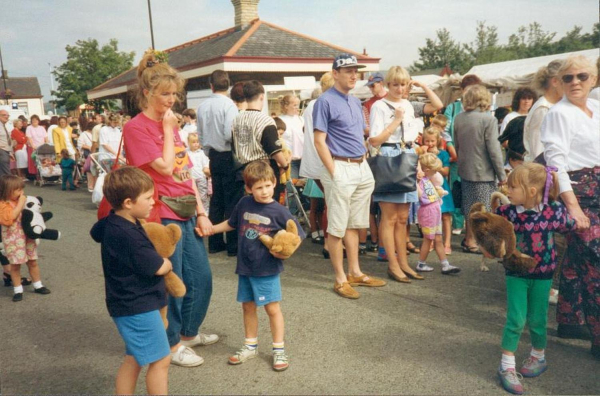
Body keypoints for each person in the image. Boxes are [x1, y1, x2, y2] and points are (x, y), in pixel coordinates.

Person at [123, 49, 216, 368]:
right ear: (147, 92)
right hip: (159, 213)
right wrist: (166, 129)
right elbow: (163, 168)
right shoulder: (137, 128)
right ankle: (171, 342)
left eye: (175, 94)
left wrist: (202, 210)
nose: (171, 100)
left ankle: (188, 333)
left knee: (201, 277)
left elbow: (184, 169)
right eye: (165, 94)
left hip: (186, 207)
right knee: (171, 278)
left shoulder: (171, 124)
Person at [210, 160, 305, 371]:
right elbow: (232, 223)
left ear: (274, 183)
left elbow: (296, 235)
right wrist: (211, 230)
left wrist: (283, 251)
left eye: (268, 185)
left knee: (272, 309)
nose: (264, 191)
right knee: (248, 306)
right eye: (258, 187)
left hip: (267, 269)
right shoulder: (244, 203)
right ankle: (250, 346)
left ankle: (279, 350)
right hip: (245, 267)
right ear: (248, 188)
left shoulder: (279, 211)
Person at [494, 163, 575, 394]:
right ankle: (506, 365)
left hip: (544, 274)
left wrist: (581, 221)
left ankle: (538, 357)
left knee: (538, 319)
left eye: (513, 187)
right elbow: (490, 226)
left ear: (531, 190)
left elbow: (568, 225)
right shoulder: (507, 212)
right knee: (516, 319)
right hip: (516, 273)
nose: (507, 190)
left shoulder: (554, 210)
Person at [90, 167, 171, 395]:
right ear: (127, 202)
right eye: (147, 198)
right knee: (161, 360)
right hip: (137, 305)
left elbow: (96, 231)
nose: (153, 202)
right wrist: (167, 262)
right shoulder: (129, 235)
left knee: (134, 358)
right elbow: (157, 267)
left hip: (126, 303)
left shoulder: (113, 222)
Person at [541, 55, 600, 360]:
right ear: (559, 82)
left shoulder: (596, 108)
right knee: (596, 263)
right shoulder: (558, 114)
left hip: (597, 188)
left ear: (594, 79)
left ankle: (570, 320)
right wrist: (573, 208)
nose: (575, 82)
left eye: (582, 76)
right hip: (580, 194)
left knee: (578, 260)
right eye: (568, 78)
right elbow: (555, 164)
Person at [314, 53, 386, 299]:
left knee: (354, 224)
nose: (354, 75)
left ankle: (355, 272)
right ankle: (340, 278)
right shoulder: (324, 101)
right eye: (348, 71)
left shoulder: (355, 101)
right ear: (335, 73)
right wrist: (334, 171)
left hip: (360, 165)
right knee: (336, 227)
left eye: (356, 71)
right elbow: (319, 141)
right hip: (340, 166)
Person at [368, 65, 424, 284]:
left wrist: (417, 163)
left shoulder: (408, 104)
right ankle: (392, 263)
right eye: (395, 84)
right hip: (389, 157)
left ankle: (403, 262)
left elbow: (411, 136)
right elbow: (374, 140)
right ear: (387, 85)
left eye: (403, 84)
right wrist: (396, 120)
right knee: (389, 217)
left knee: (403, 217)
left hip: (407, 155)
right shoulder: (379, 106)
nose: (400, 89)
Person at [454, 84, 506, 253]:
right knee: (484, 209)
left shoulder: (459, 118)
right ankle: (479, 243)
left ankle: (469, 239)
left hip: (465, 168)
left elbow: (457, 144)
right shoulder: (488, 119)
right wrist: (501, 174)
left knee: (470, 207)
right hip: (483, 171)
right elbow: (494, 149)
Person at [196, 70, 240, 256]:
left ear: (211, 85)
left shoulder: (202, 105)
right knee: (232, 199)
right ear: (228, 85)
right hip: (228, 153)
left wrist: (208, 151)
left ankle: (214, 242)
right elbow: (229, 133)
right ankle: (233, 245)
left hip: (213, 155)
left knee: (217, 199)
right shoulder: (229, 105)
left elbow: (200, 134)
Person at [231, 80, 290, 201]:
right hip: (264, 170)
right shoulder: (265, 120)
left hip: (245, 169)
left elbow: (234, 145)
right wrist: (285, 165)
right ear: (262, 96)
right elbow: (274, 150)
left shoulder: (236, 119)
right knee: (268, 206)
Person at [0, 175, 51, 302]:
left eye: (22, 189)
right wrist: (21, 204)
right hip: (13, 239)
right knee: (15, 265)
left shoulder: (22, 201)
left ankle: (38, 284)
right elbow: (9, 218)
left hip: (27, 238)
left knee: (32, 261)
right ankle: (18, 289)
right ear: (7, 191)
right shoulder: (3, 205)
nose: (21, 193)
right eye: (18, 190)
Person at [443, 74, 482, 235]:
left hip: (476, 158)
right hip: (457, 157)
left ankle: (473, 227)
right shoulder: (453, 107)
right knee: (457, 190)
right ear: (461, 90)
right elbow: (444, 131)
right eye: (467, 90)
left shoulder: (483, 109)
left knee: (474, 192)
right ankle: (458, 223)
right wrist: (452, 149)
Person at [300, 73, 334, 254]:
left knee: (329, 202)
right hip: (324, 160)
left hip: (314, 161)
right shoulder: (325, 104)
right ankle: (330, 243)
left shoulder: (310, 106)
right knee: (331, 203)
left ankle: (330, 242)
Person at [415, 153, 460, 274]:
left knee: (438, 239)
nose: (436, 174)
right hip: (428, 212)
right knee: (428, 239)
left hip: (434, 211)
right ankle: (421, 263)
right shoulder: (420, 181)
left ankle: (445, 264)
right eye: (434, 171)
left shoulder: (429, 180)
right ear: (428, 170)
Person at [421, 127, 455, 255]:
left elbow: (446, 172)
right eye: (427, 141)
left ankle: (447, 243)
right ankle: (429, 241)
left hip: (441, 186)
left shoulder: (443, 154)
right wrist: (423, 155)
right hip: (427, 186)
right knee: (430, 216)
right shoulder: (421, 153)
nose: (429, 144)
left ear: (438, 141)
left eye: (432, 141)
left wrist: (435, 160)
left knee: (445, 215)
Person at [523, 60, 564, 162]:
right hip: (545, 172)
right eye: (567, 79)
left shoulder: (557, 106)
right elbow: (538, 151)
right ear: (555, 81)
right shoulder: (543, 109)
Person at [278, 94, 304, 180]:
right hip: (289, 160)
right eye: (295, 105)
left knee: (305, 187)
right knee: (292, 186)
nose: (297, 107)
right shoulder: (279, 120)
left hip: (303, 160)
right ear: (286, 106)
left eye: (298, 105)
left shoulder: (301, 119)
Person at [187, 133, 211, 215]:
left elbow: (206, 163)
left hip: (201, 177)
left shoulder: (202, 153)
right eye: (193, 142)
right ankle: (194, 211)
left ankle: (206, 211)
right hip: (191, 177)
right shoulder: (187, 153)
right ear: (189, 143)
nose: (196, 144)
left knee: (203, 195)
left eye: (197, 142)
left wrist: (206, 170)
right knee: (193, 195)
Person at [0, 109, 14, 177]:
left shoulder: (4, 126)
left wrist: (10, 152)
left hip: (6, 151)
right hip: (2, 151)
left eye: (8, 115)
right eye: (4, 115)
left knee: (3, 173)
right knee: (6, 173)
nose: (6, 117)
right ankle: (9, 186)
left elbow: (7, 139)